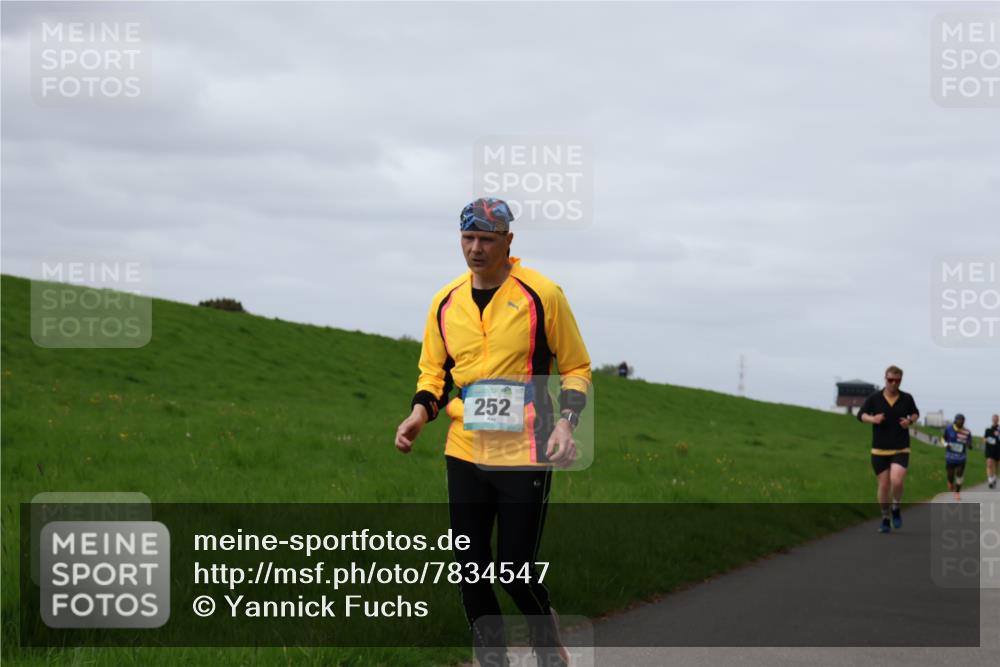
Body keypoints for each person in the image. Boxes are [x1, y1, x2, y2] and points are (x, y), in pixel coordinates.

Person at [394, 197, 591, 667]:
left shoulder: (542, 295)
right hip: (465, 450)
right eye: (468, 238)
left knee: (514, 571)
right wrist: (419, 414)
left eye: (486, 239)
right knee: (470, 567)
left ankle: (547, 640)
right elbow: (434, 373)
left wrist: (567, 423)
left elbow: (576, 367)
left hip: (526, 448)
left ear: (508, 241)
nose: (476, 249)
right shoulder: (445, 302)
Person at [857, 365, 920, 533]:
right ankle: (885, 517)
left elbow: (915, 413)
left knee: (897, 480)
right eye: (890, 380)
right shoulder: (875, 398)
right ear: (885, 379)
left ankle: (896, 507)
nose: (893, 383)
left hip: (901, 447)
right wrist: (873, 419)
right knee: (884, 485)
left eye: (897, 380)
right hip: (879, 449)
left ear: (901, 381)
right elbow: (860, 415)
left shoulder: (907, 398)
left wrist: (909, 421)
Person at [943, 414, 973, 500]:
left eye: (962, 420)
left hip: (961, 458)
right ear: (955, 420)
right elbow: (943, 439)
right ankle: (950, 482)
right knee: (950, 475)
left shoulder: (967, 432)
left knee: (959, 474)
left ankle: (957, 492)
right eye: (959, 420)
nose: (961, 422)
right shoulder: (949, 429)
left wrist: (969, 445)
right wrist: (946, 444)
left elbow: (970, 442)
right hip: (950, 457)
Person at [985, 414, 999, 490]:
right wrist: (986, 440)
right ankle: (990, 480)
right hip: (989, 449)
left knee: (996, 465)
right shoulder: (988, 429)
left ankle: (994, 477)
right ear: (992, 420)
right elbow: (984, 438)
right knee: (989, 463)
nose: (995, 420)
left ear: (998, 420)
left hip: (997, 449)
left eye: (996, 419)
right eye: (994, 419)